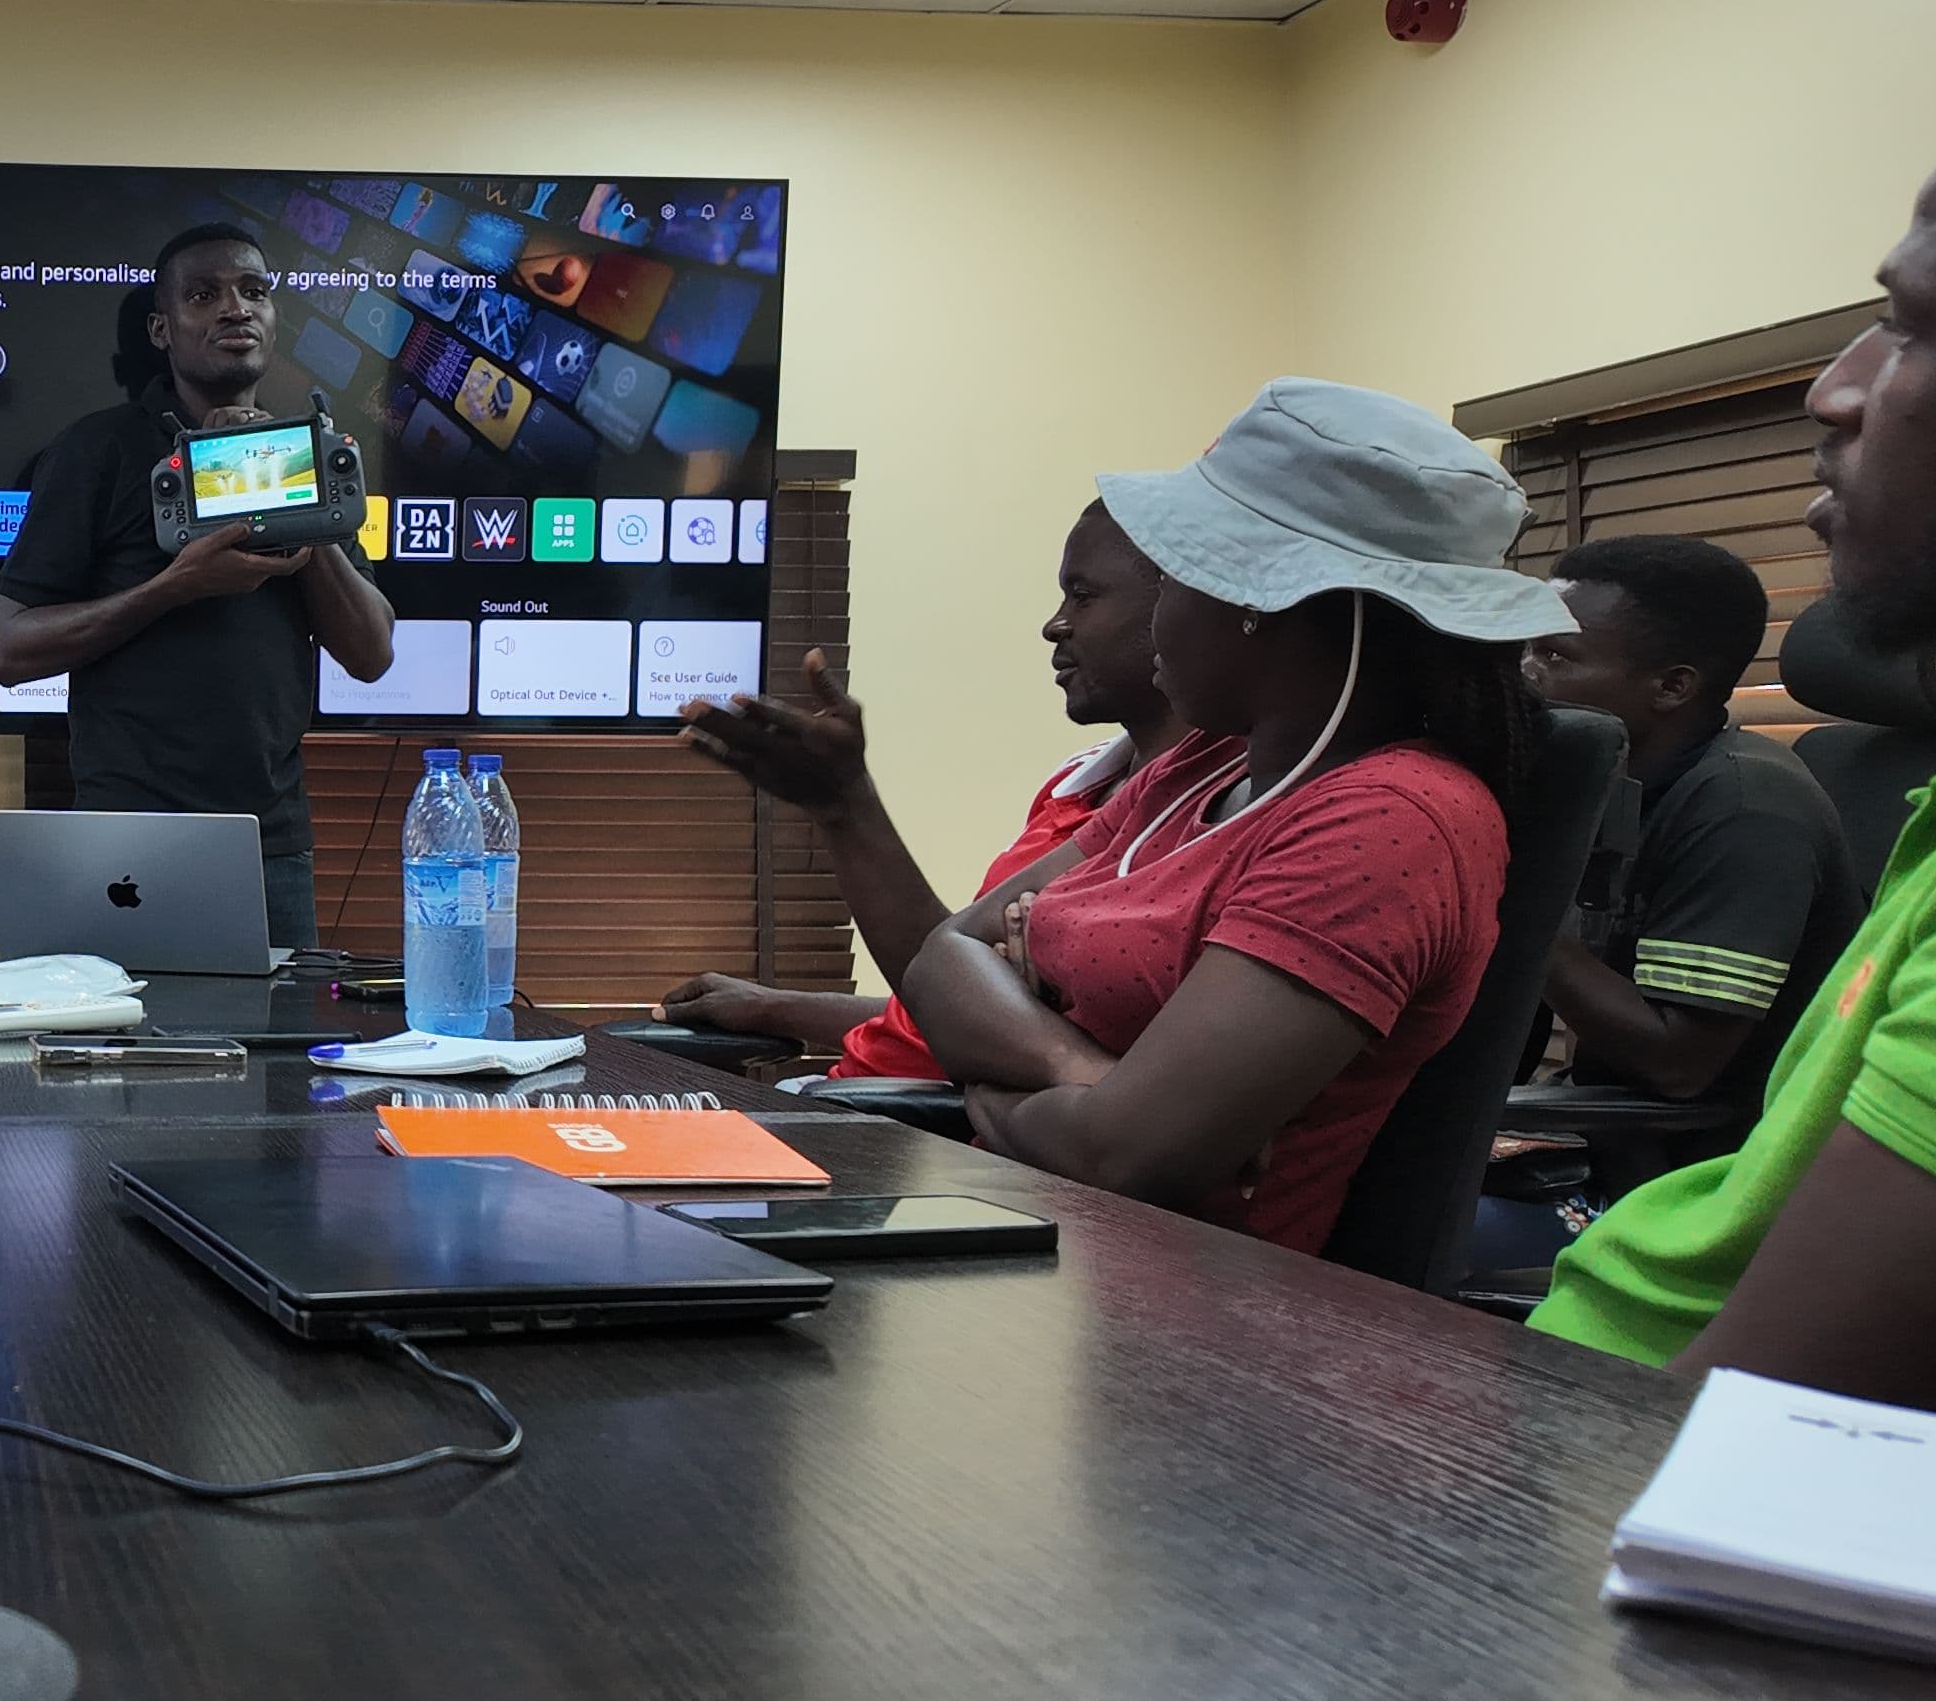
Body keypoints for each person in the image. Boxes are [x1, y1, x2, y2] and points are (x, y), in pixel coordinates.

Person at [892, 378, 1567, 1255]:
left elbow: (1125, 1161)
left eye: (1175, 576)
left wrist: (992, 1064)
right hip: (1012, 1229)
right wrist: (1079, 1070)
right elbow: (942, 954)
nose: (1157, 618)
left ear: (1257, 602)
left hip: (1169, 1307)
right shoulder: (1208, 762)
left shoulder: (1390, 823)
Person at [1534, 126, 1936, 1416]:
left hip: (1628, 1427)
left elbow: (1750, 1451)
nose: (1832, 391)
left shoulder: (1746, 801)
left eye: (1907, 324)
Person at [666, 500, 1186, 1076]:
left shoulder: (1209, 826)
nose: (1054, 625)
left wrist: (844, 804)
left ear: (1184, 605)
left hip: (921, 1122)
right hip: (856, 1092)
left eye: (1082, 596)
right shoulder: (1078, 784)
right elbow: (944, 992)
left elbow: (992, 1025)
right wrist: (774, 1007)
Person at [0, 223, 396, 947]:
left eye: (254, 291)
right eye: (204, 295)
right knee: (114, 1026)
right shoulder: (97, 450)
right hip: (124, 839)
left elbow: (371, 654)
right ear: (162, 329)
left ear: (273, 318)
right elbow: (10, 652)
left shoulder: (302, 453)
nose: (235, 308)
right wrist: (174, 586)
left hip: (269, 843)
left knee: (278, 1026)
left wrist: (284, 498)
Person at [1521, 534, 1860, 1178]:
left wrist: (1515, 905)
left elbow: (1679, 1068)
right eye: (1523, 648)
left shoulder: (1748, 808)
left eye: (1554, 654)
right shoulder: (1607, 789)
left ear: (1672, 686)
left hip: (1709, 1179)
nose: (1524, 674)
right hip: (1605, 1136)